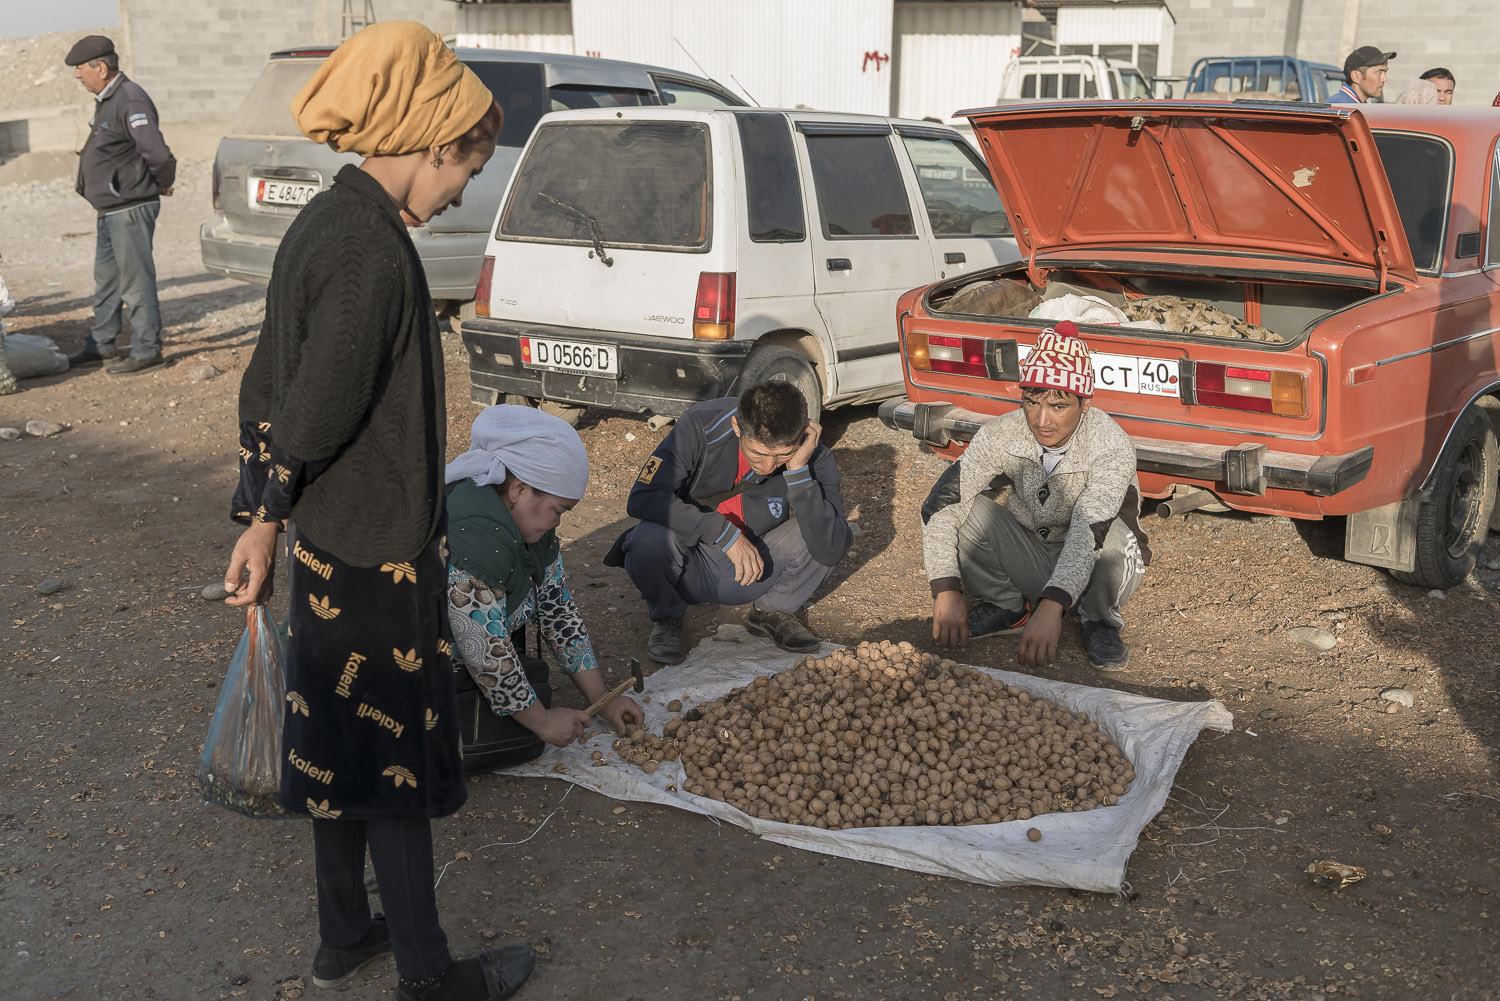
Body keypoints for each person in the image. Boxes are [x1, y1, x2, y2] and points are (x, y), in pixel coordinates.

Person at [220, 22, 535, 1001]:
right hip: (375, 553)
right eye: (465, 171)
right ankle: (430, 973)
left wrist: (265, 507)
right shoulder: (370, 250)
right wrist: (264, 519)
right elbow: (314, 402)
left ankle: (342, 932)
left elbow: (268, 380)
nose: (462, 191)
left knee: (338, 742)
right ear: (434, 142)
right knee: (394, 760)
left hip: (330, 540)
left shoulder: (327, 219)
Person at [921, 321, 1149, 672]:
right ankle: (1009, 607)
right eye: (1031, 402)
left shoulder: (1110, 443)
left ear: (1085, 402)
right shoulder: (1001, 433)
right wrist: (946, 587)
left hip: (1094, 564)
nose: (1042, 420)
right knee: (966, 510)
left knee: (1115, 537)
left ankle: (1098, 620)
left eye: (1059, 406)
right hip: (1032, 552)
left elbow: (1088, 531)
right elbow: (943, 501)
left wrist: (1053, 603)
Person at [444, 405, 643, 770]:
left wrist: (603, 698)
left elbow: (556, 608)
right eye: (559, 510)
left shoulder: (530, 524)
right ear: (519, 488)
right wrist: (542, 721)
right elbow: (482, 647)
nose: (557, 523)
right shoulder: (475, 526)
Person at [605, 381, 852, 665]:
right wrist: (724, 533)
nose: (769, 466)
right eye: (758, 453)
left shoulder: (811, 454)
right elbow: (642, 498)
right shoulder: (700, 425)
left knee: (830, 528)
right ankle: (668, 616)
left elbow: (831, 548)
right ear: (737, 427)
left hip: (758, 567)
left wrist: (797, 471)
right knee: (646, 538)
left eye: (782, 454)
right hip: (692, 561)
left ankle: (773, 611)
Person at [63, 35, 175, 375]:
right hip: (111, 209)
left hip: (129, 208)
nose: (77, 76)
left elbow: (156, 152)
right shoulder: (107, 99)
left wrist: (160, 182)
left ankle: (146, 349)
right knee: (108, 281)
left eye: (80, 68)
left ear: (101, 67)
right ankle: (102, 345)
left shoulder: (130, 99)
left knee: (136, 280)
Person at [1329, 46, 1394, 105]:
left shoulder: (1355, 105)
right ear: (1356, 76)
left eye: (1385, 72)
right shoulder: (1342, 109)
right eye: (1379, 72)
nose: (1384, 79)